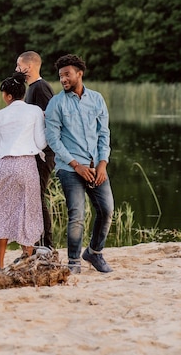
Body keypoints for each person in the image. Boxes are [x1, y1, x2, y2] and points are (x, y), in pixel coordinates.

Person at [45, 54, 114, 274]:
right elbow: (53, 139)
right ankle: (73, 262)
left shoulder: (96, 99)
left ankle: (94, 253)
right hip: (70, 168)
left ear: (79, 74)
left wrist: (102, 164)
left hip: (96, 166)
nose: (63, 79)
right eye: (60, 76)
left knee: (107, 210)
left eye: (67, 74)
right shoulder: (56, 103)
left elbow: (104, 134)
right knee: (77, 214)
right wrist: (76, 165)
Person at [0, 72, 47, 271]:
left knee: (1, 212)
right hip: (26, 165)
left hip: (4, 167)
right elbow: (41, 142)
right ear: (23, 93)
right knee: (28, 210)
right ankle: (28, 259)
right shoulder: (35, 111)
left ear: (7, 96)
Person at [16, 50, 56, 250]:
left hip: (44, 153)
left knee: (37, 197)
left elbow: (52, 119)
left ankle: (46, 245)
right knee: (32, 198)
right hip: (34, 152)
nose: (17, 70)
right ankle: (37, 243)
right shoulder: (31, 89)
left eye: (19, 66)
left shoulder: (40, 88)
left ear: (28, 67)